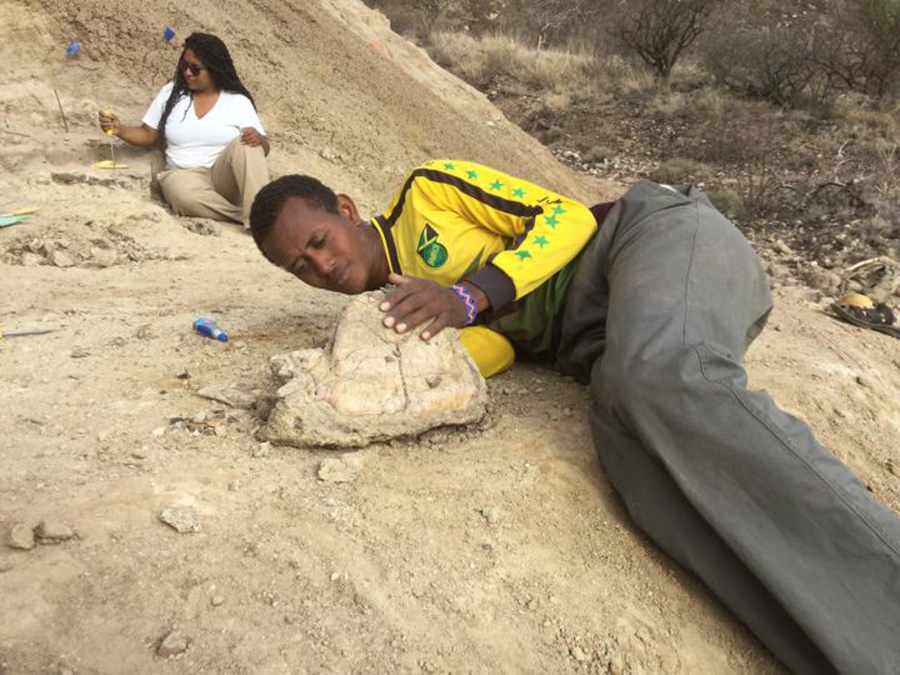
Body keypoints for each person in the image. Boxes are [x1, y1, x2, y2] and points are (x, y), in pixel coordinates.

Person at [247, 159, 900, 675]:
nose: (325, 267)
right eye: (301, 266)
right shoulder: (390, 317)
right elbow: (489, 355)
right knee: (636, 458)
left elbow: (565, 218)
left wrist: (468, 294)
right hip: (600, 343)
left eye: (319, 241)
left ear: (347, 211)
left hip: (650, 238)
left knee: (659, 373)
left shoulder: (428, 194)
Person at [98, 32, 270, 227]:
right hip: (185, 175)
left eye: (195, 69)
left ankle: (261, 218)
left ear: (213, 69)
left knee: (247, 144)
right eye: (184, 65)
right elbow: (148, 135)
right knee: (181, 194)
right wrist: (119, 129)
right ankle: (249, 219)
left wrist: (259, 140)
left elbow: (262, 149)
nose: (187, 72)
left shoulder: (237, 101)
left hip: (224, 177)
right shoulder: (172, 93)